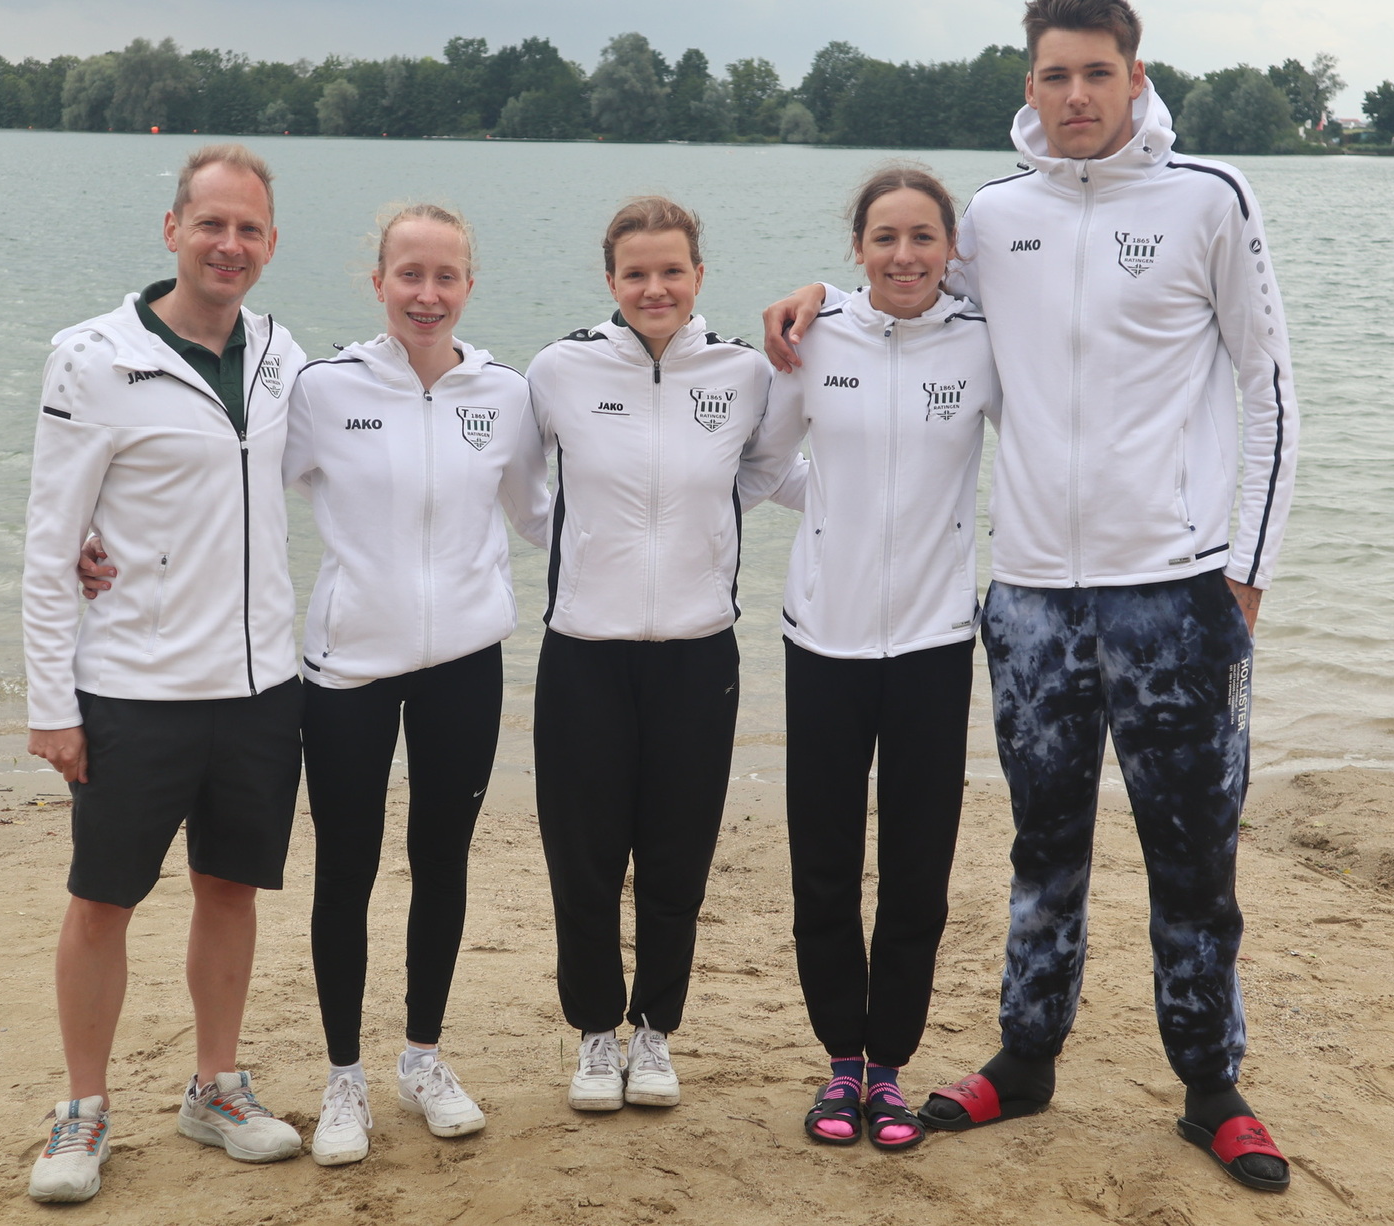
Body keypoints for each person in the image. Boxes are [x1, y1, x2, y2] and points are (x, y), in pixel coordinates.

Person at [763, 0, 1299, 1192]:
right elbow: (902, 301)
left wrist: (1246, 574)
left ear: (1135, 77)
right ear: (1030, 86)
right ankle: (1028, 1050)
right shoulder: (995, 216)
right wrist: (815, 299)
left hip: (1173, 589)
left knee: (1193, 852)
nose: (1075, 96)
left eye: (1096, 74)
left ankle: (1210, 1083)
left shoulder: (1209, 199)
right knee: (1041, 844)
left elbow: (1271, 390)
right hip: (1028, 601)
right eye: (1054, 76)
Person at [21, 143, 308, 1204]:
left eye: (250, 229)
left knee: (229, 888)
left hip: (261, 687)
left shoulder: (283, 355)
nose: (229, 244)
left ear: (271, 245)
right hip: (133, 688)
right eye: (212, 224)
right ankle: (83, 1106)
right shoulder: (91, 358)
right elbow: (53, 544)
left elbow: (381, 431)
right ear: (173, 230)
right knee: (102, 897)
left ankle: (215, 1084)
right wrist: (53, 703)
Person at [284, 204, 550, 1162]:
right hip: (349, 667)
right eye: (409, 275)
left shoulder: (506, 395)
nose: (426, 295)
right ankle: (345, 1077)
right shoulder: (321, 390)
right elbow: (229, 490)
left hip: (466, 664)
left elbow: (540, 517)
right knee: (346, 867)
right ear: (379, 283)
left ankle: (422, 1057)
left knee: (441, 859)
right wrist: (116, 546)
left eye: (445, 277)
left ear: (469, 286)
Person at [526, 197, 802, 1113]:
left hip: (696, 654)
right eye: (636, 273)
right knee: (585, 860)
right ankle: (596, 1037)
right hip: (582, 655)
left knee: (677, 860)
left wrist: (702, 535)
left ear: (697, 276)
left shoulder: (742, 372)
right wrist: (586, 547)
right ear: (610, 280)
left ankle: (655, 1034)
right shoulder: (559, 369)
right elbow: (514, 484)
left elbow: (759, 470)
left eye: (671, 271)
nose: (655, 288)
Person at [773, 165, 999, 1151]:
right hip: (821, 635)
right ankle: (839, 1062)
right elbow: (764, 459)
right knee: (823, 864)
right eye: (885, 238)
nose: (904, 256)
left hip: (934, 639)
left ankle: (891, 1068)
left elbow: (1039, 449)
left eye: (922, 237)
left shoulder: (985, 345)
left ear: (951, 248)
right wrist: (831, 508)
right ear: (856, 248)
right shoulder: (814, 337)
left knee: (917, 868)